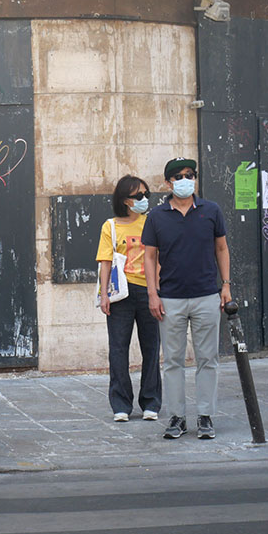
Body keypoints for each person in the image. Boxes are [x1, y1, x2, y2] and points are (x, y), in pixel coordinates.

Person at [142, 157, 231, 440]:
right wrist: (152, 293)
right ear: (168, 182)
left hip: (206, 295)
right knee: (173, 361)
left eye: (190, 175)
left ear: (195, 178)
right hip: (170, 299)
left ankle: (205, 416)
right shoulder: (157, 216)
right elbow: (149, 256)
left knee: (208, 359)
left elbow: (222, 248)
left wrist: (226, 285)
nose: (185, 180)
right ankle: (177, 418)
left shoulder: (211, 210)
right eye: (178, 176)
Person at [95, 175, 162, 423]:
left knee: (152, 348)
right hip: (121, 294)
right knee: (118, 349)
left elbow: (160, 258)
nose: (144, 200)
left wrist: (159, 290)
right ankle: (121, 404)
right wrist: (104, 295)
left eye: (147, 195)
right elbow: (105, 261)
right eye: (138, 196)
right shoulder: (110, 226)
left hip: (150, 292)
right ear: (125, 200)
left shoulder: (153, 222)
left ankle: (151, 402)